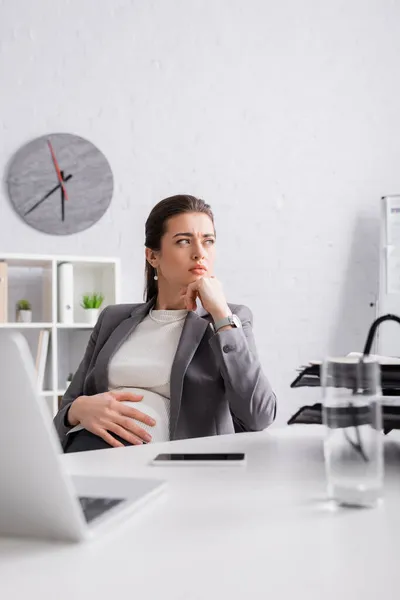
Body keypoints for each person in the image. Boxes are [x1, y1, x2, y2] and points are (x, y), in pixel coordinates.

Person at [54, 194, 277, 453]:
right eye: (183, 241)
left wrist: (220, 313)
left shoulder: (230, 319)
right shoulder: (113, 319)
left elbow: (259, 416)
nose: (199, 253)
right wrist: (78, 410)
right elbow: (63, 413)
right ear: (153, 256)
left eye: (208, 241)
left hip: (169, 466)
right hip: (85, 452)